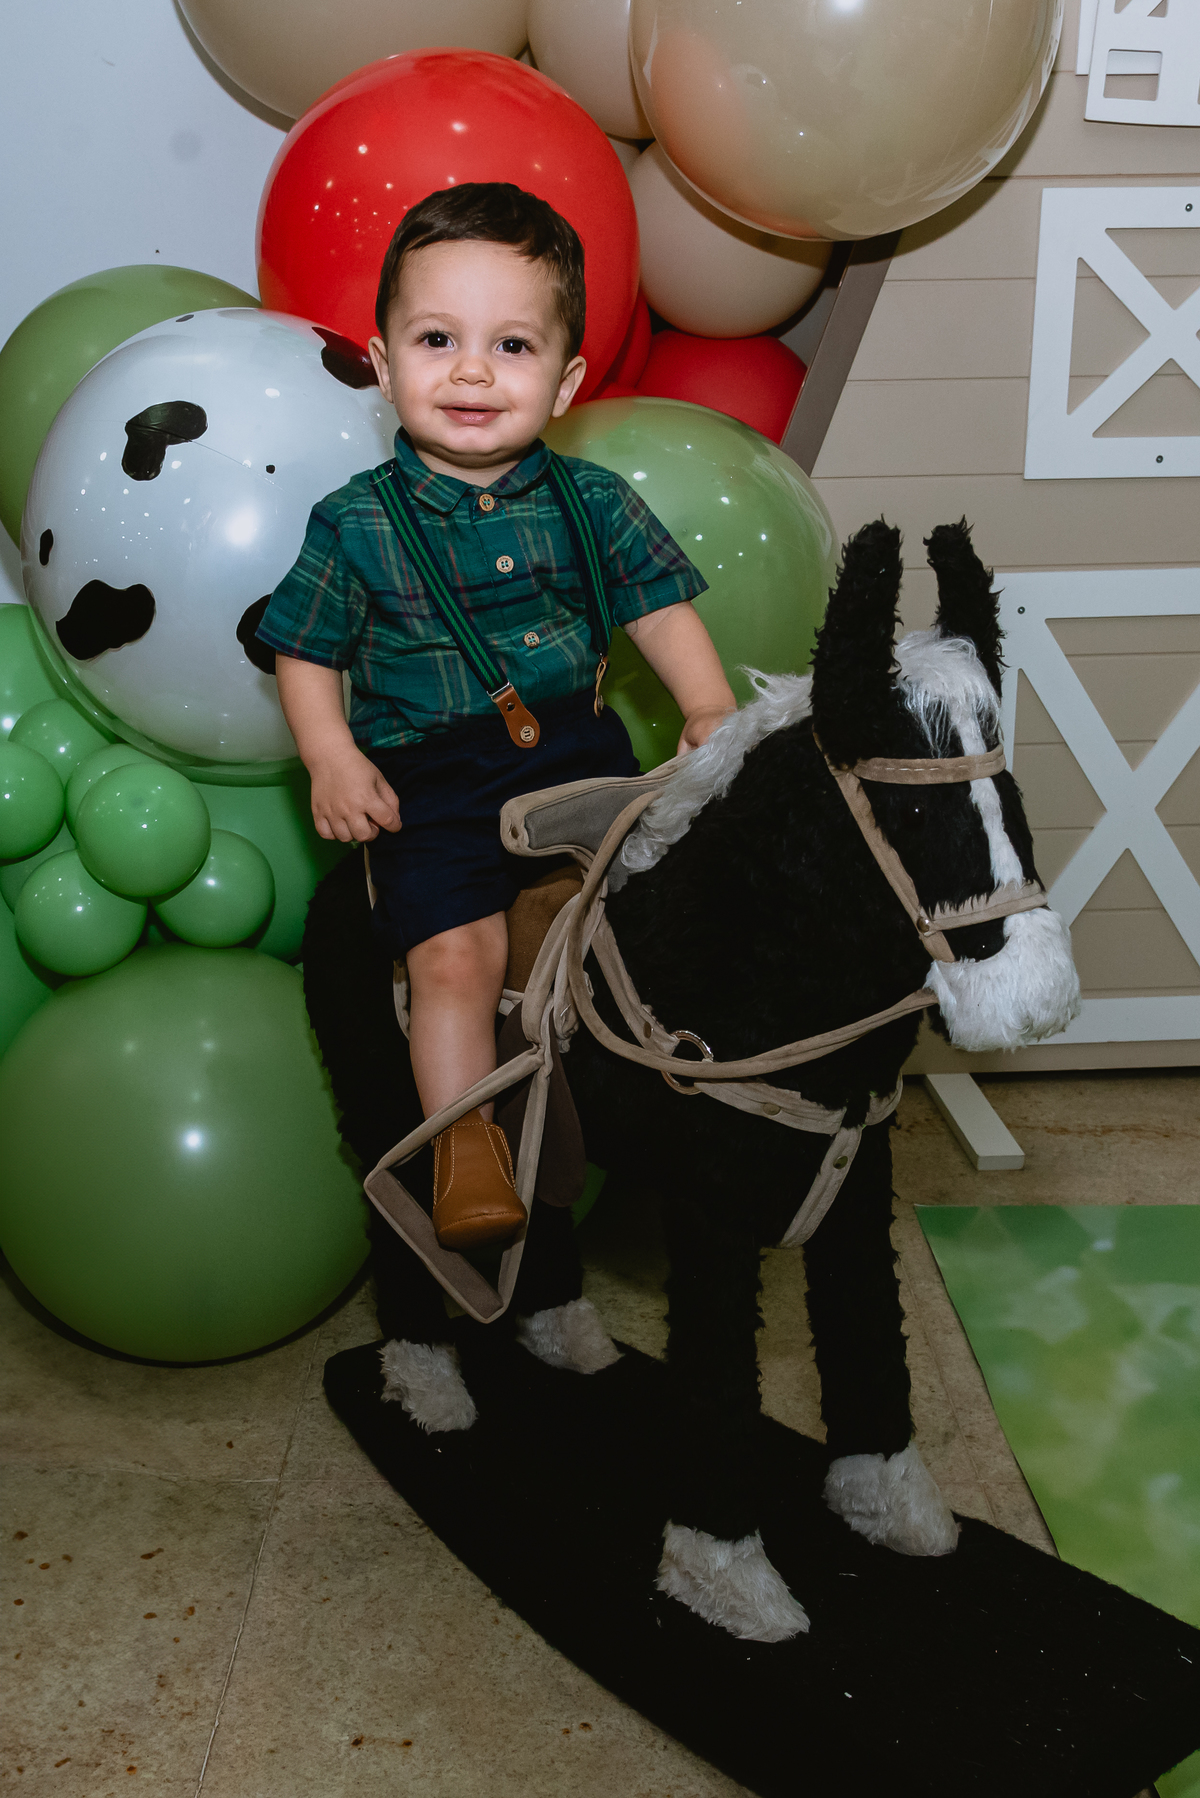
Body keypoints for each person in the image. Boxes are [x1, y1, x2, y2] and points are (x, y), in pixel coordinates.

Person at [259, 182, 734, 1254]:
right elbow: (305, 649)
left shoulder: (596, 501)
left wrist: (707, 705)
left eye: (511, 345)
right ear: (383, 365)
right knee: (456, 954)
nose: (471, 370)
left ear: (565, 381)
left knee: (661, 928)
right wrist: (331, 756)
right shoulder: (353, 523)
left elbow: (659, 607)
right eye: (438, 338)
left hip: (581, 756)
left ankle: (678, 1109)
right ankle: (462, 1134)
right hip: (435, 779)